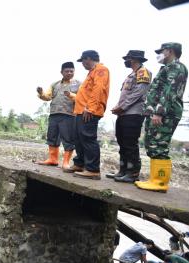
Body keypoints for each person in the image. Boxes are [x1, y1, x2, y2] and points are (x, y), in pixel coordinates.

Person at [135, 42, 188, 192]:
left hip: (166, 113)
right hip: (156, 112)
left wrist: (159, 112)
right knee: (152, 144)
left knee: (159, 145)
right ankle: (155, 179)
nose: (158, 54)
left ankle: (160, 182)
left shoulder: (177, 67)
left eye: (161, 51)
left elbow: (169, 91)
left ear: (169, 51)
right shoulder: (167, 68)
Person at [64, 50, 110, 180]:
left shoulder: (101, 69)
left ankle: (93, 169)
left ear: (88, 59)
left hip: (89, 111)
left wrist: (90, 107)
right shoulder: (92, 72)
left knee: (88, 138)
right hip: (80, 110)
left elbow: (98, 89)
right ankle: (80, 164)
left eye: (83, 61)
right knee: (78, 138)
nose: (82, 64)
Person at [107, 50, 152, 183]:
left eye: (127, 59)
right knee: (122, 142)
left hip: (134, 113)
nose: (126, 61)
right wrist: (118, 106)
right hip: (124, 113)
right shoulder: (131, 74)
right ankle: (123, 170)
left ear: (133, 59)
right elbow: (126, 94)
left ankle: (132, 173)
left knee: (130, 143)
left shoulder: (143, 72)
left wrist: (123, 106)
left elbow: (139, 92)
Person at [36, 62, 81, 171]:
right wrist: (41, 93)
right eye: (67, 71)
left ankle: (66, 162)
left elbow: (82, 98)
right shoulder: (55, 84)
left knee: (68, 138)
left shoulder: (79, 84)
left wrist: (70, 95)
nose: (69, 73)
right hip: (54, 114)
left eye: (72, 71)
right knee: (52, 137)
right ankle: (53, 159)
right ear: (61, 72)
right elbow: (48, 97)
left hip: (69, 115)